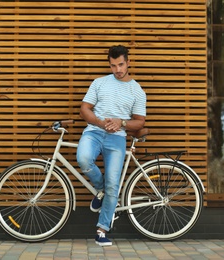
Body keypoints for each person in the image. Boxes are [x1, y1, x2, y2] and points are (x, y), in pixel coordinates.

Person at [76, 45, 146, 246]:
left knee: (114, 183)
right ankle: (101, 188)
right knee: (83, 158)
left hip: (117, 137)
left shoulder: (137, 91)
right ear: (109, 64)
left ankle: (102, 230)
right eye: (113, 65)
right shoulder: (99, 83)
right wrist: (99, 122)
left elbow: (139, 121)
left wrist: (121, 122)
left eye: (121, 64)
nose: (118, 69)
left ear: (128, 62)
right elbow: (85, 109)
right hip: (94, 132)